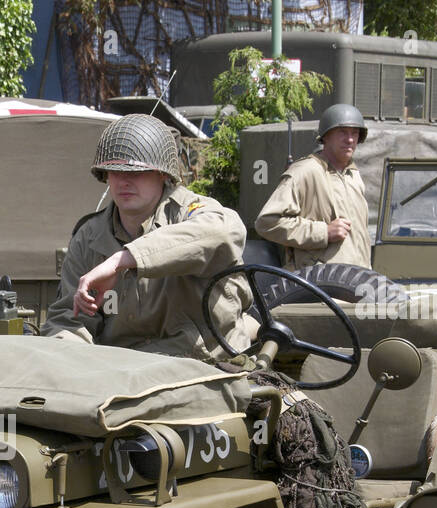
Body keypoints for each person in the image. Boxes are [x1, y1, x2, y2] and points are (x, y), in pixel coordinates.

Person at [42, 113, 258, 361]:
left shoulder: (192, 213)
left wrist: (123, 259)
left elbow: (224, 232)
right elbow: (68, 321)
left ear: (163, 174)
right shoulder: (89, 236)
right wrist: (70, 358)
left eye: (137, 171)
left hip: (205, 366)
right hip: (123, 371)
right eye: (114, 170)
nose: (123, 180)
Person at [254, 103, 371, 271]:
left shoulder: (353, 175)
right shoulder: (305, 172)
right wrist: (323, 232)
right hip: (320, 285)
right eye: (342, 132)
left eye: (355, 133)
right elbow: (266, 223)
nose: (350, 139)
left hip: (357, 281)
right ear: (326, 137)